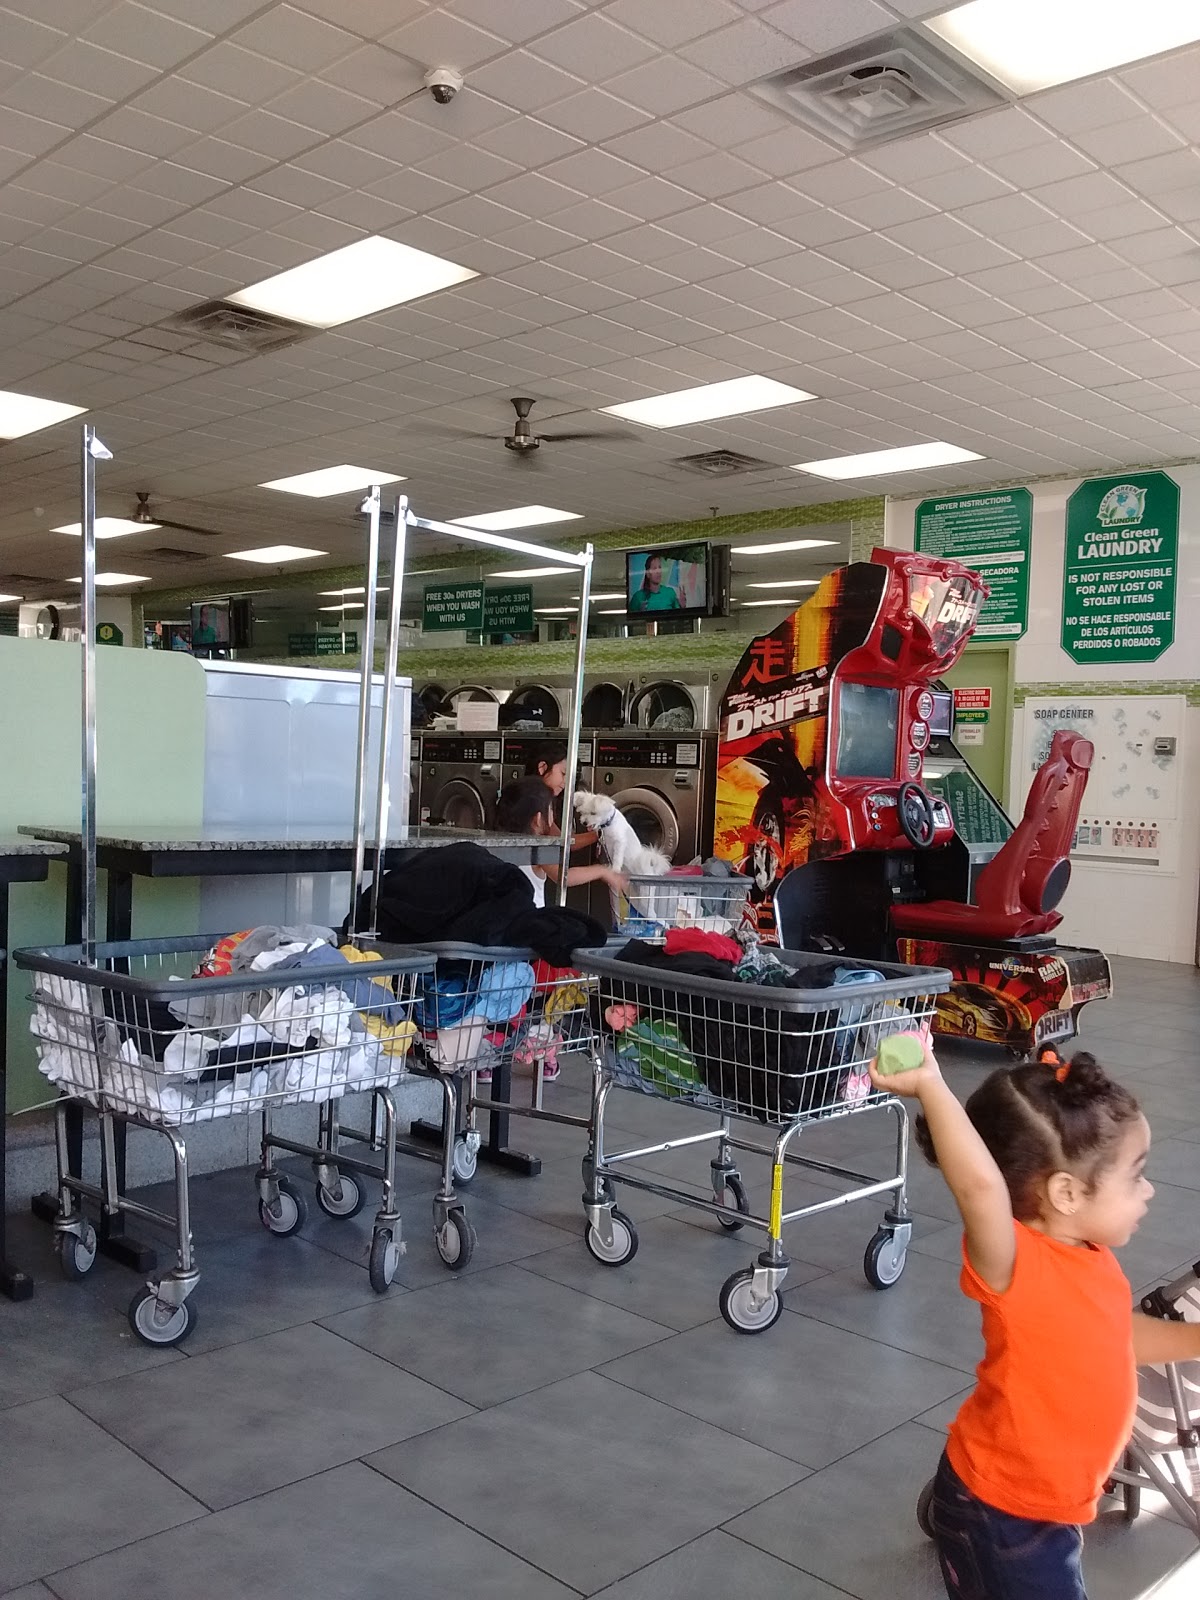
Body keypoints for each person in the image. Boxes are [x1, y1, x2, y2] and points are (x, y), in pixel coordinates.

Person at [871, 1040, 1200, 1600]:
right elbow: (979, 1188)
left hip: (1051, 1504)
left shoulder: (1090, 1257)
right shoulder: (1013, 1264)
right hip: (1002, 1515)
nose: (1148, 1191)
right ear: (1067, 1193)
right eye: (1134, 1176)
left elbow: (1112, 1337)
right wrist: (931, 1086)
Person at [523, 743, 599, 852]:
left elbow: (561, 840)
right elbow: (561, 842)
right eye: (563, 774)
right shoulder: (531, 801)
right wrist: (600, 834)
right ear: (542, 767)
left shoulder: (540, 798)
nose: (566, 782)